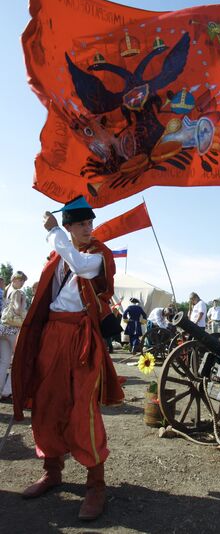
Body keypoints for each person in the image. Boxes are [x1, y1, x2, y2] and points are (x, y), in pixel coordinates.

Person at [11, 196, 124, 521]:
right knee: (48, 402)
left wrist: (52, 231)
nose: (89, 228)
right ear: (70, 226)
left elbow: (77, 263)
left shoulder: (98, 256)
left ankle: (96, 485)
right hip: (53, 334)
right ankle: (52, 470)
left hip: (81, 337)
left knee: (82, 407)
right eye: (82, 224)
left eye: (90, 223)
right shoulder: (56, 255)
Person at [0, 271, 28, 402]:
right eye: (20, 280)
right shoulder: (18, 292)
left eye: (23, 281)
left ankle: (1, 390)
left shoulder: (6, 290)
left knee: (4, 362)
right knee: (17, 362)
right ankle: (8, 390)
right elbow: (17, 309)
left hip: (3, 329)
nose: (22, 283)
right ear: (14, 279)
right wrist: (24, 311)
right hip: (14, 330)